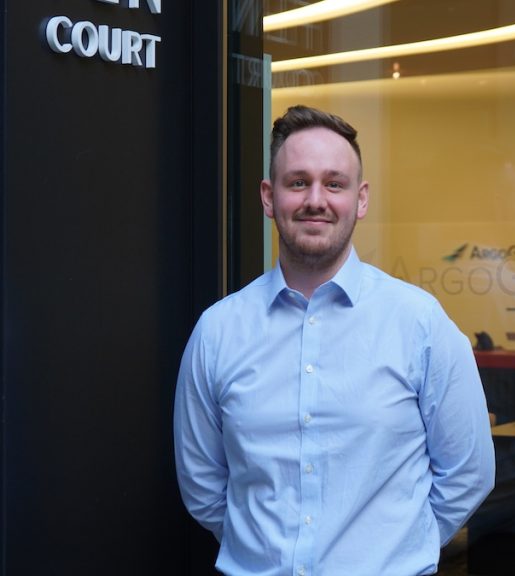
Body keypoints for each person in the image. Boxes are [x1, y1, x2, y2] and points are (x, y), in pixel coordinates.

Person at [174, 105, 495, 576]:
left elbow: (469, 473)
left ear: (361, 200)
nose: (316, 200)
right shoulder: (219, 331)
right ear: (268, 197)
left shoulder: (419, 324)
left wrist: (397, 550)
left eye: (335, 183)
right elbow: (202, 484)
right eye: (298, 182)